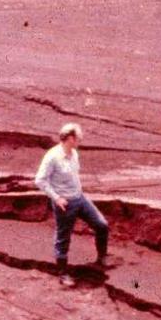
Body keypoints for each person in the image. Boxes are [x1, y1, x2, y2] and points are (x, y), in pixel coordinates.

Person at [34, 122, 111, 287]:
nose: (81, 139)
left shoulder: (74, 153)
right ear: (70, 138)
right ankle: (63, 274)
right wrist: (56, 198)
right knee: (63, 238)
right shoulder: (52, 156)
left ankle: (102, 258)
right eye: (79, 136)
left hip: (79, 198)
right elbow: (40, 180)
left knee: (102, 225)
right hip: (65, 203)